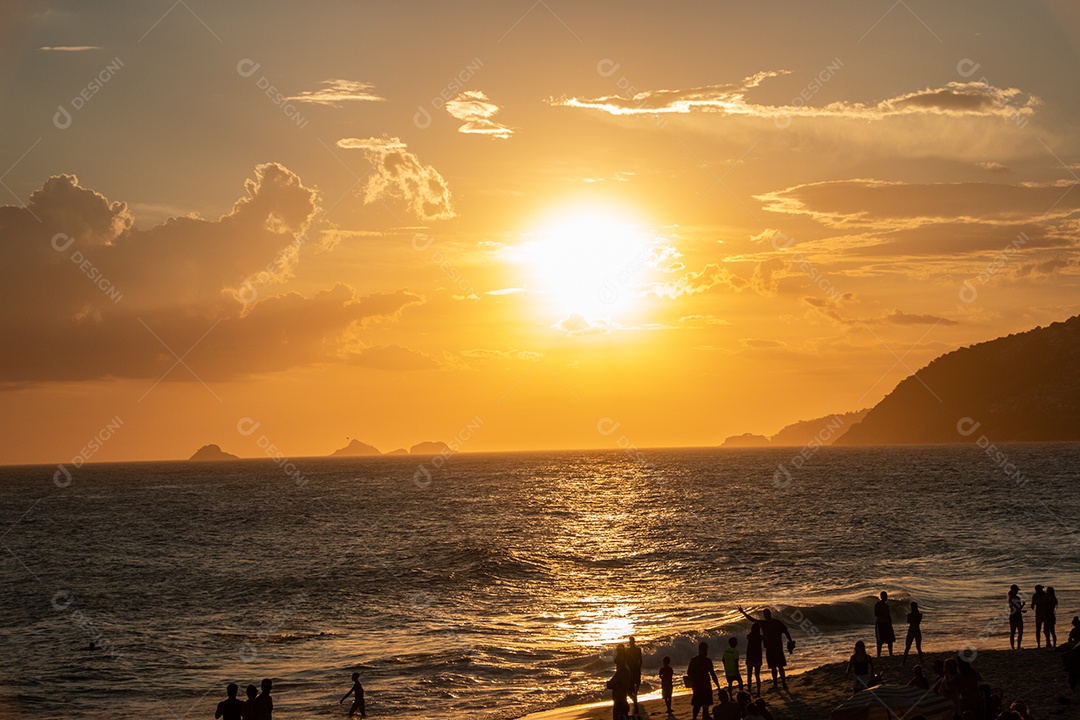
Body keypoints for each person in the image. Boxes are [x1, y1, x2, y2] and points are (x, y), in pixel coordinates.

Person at [737, 607, 792, 691]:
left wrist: (790, 641)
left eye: (767, 614)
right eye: (765, 615)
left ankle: (784, 683)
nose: (766, 616)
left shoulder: (777, 623)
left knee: (780, 666)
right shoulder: (763, 623)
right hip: (769, 647)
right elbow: (752, 620)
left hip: (777, 647)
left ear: (770, 614)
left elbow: (786, 632)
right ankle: (776, 684)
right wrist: (743, 613)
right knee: (773, 667)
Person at [686, 641, 720, 720]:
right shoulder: (708, 661)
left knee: (696, 705)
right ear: (706, 650)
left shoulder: (693, 660)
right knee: (705, 707)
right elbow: (712, 674)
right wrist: (718, 686)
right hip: (706, 686)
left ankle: (694, 718)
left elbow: (689, 673)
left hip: (697, 686)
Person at [608, 644, 632, 720]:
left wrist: (609, 683)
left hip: (620, 703)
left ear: (621, 657)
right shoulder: (623, 668)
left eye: (617, 656)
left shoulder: (622, 670)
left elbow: (610, 684)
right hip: (622, 702)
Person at [626, 636, 643, 714]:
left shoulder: (635, 650)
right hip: (633, 670)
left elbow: (640, 660)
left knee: (635, 685)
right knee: (633, 686)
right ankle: (635, 699)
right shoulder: (629, 651)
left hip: (634, 670)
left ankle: (635, 698)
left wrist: (638, 668)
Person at [745, 622, 764, 696]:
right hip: (758, 657)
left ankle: (749, 692)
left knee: (749, 676)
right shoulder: (760, 637)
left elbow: (748, 649)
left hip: (750, 657)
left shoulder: (749, 636)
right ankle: (758, 692)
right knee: (757, 676)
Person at [874, 591, 895, 657]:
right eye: (884, 596)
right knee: (879, 641)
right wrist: (882, 613)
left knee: (890, 639)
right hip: (880, 623)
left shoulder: (886, 605)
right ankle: (878, 655)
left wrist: (890, 622)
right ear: (881, 597)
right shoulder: (878, 604)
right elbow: (876, 614)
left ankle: (891, 653)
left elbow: (888, 615)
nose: (885, 597)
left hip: (887, 623)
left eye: (886, 596)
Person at [1008, 584, 1025, 649]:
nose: (1017, 591)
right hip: (1014, 615)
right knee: (1013, 632)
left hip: (1018, 615)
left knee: (1020, 632)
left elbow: (1018, 608)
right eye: (1016, 590)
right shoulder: (1010, 598)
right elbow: (1013, 608)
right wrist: (1021, 611)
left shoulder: (1018, 598)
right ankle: (1012, 646)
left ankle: (1018, 646)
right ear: (1013, 590)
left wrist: (1022, 605)